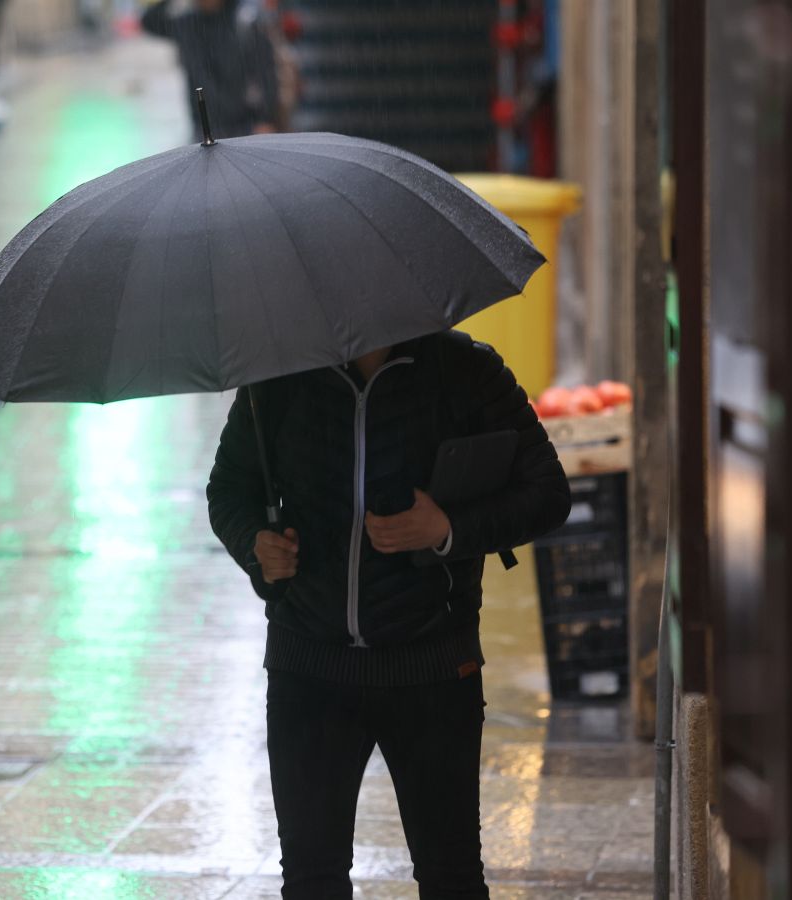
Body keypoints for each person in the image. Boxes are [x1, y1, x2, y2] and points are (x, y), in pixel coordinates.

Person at [206, 330, 572, 899]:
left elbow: (547, 492)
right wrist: (256, 545)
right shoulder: (278, 376)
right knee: (311, 878)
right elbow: (229, 489)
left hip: (432, 668)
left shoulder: (464, 371)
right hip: (309, 669)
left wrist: (446, 529)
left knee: (450, 876)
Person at [141, 0, 281, 139]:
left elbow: (266, 74)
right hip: (205, 127)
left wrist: (265, 118)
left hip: (246, 125)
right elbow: (149, 21)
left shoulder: (244, 23)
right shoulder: (186, 25)